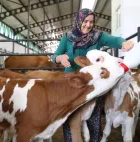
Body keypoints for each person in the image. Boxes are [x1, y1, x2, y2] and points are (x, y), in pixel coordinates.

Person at [51, 8, 134, 142]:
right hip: (72, 82)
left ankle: (95, 139)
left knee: (94, 117)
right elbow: (54, 56)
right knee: (70, 116)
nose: (88, 25)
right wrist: (60, 58)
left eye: (91, 22)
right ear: (79, 20)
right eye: (85, 21)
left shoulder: (98, 36)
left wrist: (124, 43)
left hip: (93, 83)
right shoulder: (67, 37)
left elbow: (115, 40)